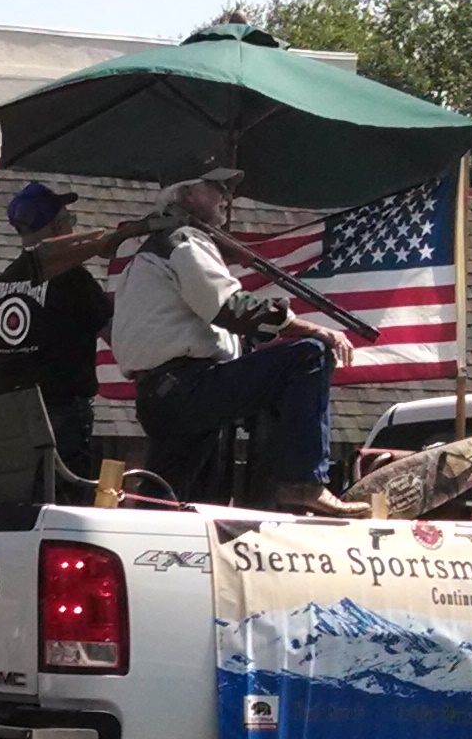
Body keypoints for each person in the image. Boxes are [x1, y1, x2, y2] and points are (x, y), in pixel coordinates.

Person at [106, 174, 364, 515]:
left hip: (162, 395)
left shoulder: (155, 250)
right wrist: (310, 328)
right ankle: (302, 483)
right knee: (308, 356)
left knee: (167, 504)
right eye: (217, 188)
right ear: (188, 193)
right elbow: (230, 308)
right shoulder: (183, 242)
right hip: (188, 387)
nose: (227, 197)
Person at [0, 180, 128, 486]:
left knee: (18, 498)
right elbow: (119, 340)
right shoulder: (73, 280)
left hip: (8, 416)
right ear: (58, 226)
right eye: (69, 220)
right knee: (64, 502)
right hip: (63, 414)